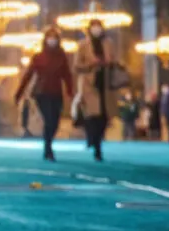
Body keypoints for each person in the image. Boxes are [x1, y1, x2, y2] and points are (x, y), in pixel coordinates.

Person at [14, 27, 73, 161]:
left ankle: (48, 145)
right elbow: (28, 76)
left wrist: (70, 91)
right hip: (42, 93)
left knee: (56, 122)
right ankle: (48, 149)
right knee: (49, 120)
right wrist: (19, 93)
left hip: (57, 93)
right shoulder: (38, 57)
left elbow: (67, 75)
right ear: (45, 40)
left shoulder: (61, 57)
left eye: (54, 38)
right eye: (49, 37)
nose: (52, 40)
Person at [73, 18, 119, 161]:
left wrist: (108, 62)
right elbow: (76, 65)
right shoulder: (83, 45)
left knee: (104, 118)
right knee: (93, 116)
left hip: (105, 84)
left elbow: (114, 60)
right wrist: (91, 64)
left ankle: (96, 140)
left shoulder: (108, 43)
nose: (97, 30)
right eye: (94, 27)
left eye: (99, 27)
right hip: (89, 84)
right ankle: (96, 147)